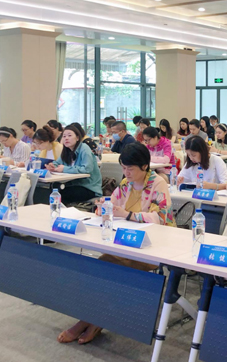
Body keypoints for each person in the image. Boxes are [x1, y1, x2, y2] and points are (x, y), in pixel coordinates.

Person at [57, 143, 175, 345]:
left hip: (153, 247)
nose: (126, 173)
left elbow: (161, 219)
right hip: (125, 243)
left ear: (144, 166)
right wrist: (104, 208)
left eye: (130, 168)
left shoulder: (158, 183)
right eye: (123, 168)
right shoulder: (126, 184)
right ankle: (92, 319)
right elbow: (112, 204)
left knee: (110, 269)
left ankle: (89, 321)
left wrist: (128, 214)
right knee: (100, 267)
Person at [45, 125, 102, 205]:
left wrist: (64, 169)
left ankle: (62, 211)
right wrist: (52, 166)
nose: (66, 138)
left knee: (61, 194)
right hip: (73, 184)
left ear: (77, 138)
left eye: (69, 135)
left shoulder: (84, 148)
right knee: (52, 189)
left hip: (88, 187)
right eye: (64, 136)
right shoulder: (66, 150)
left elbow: (87, 169)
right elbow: (57, 163)